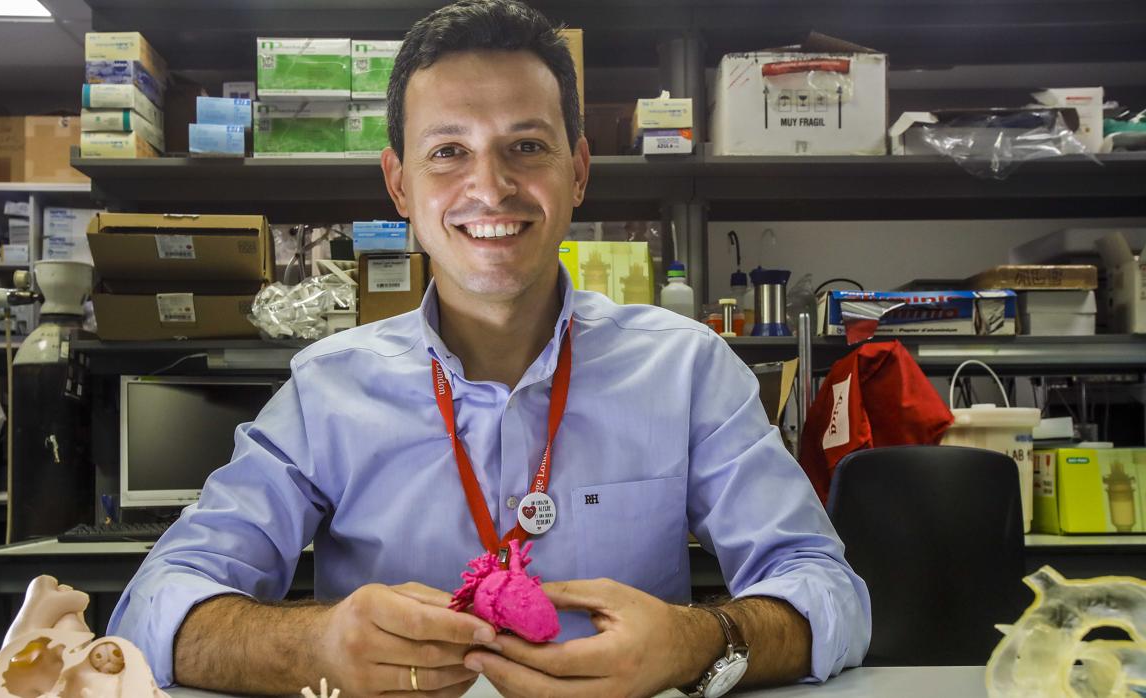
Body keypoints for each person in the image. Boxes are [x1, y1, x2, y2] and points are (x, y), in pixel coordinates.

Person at [108, 1, 871, 696]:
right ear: (399, 184)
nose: (490, 186)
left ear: (577, 171)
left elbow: (829, 592)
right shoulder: (326, 391)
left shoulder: (689, 369)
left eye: (526, 145)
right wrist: (310, 642)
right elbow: (154, 603)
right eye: (447, 152)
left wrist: (699, 641)